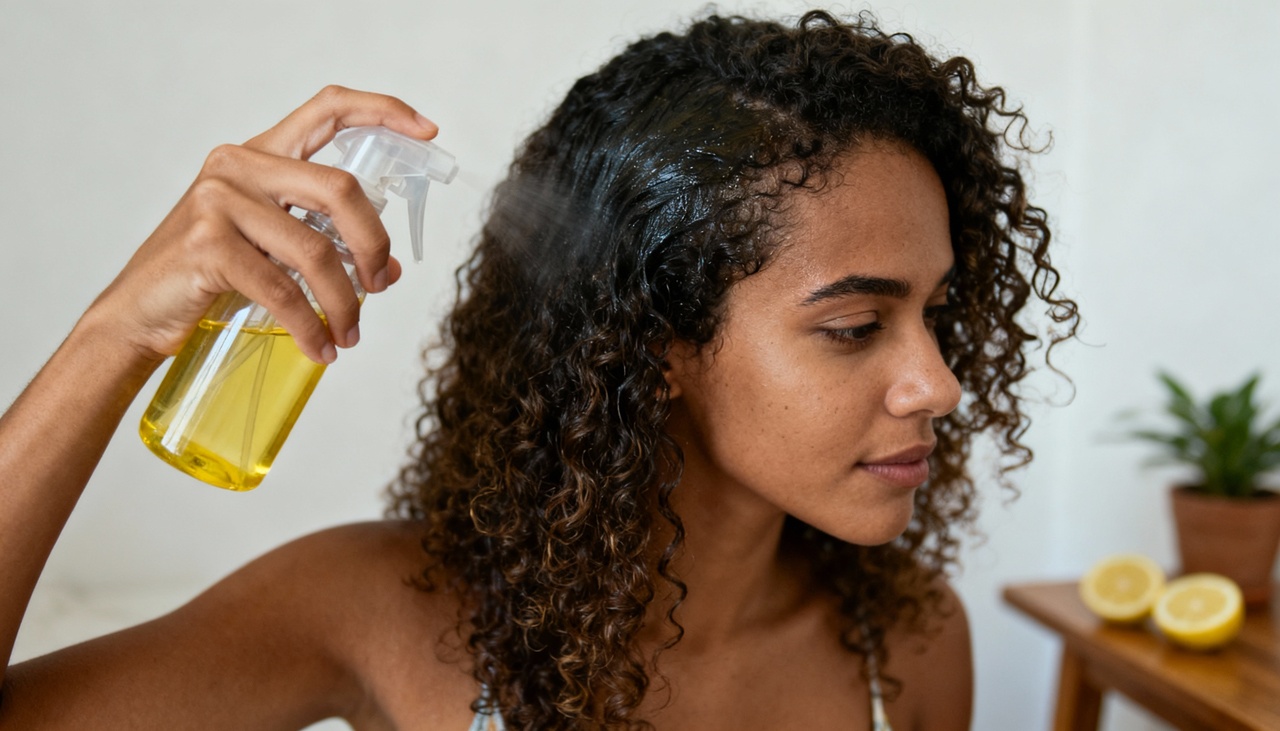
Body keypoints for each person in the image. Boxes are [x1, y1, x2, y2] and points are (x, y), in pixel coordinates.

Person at [0, 10, 1077, 731]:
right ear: (651, 341)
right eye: (853, 326)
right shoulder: (375, 611)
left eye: (936, 314)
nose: (936, 383)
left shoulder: (911, 643)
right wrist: (114, 335)